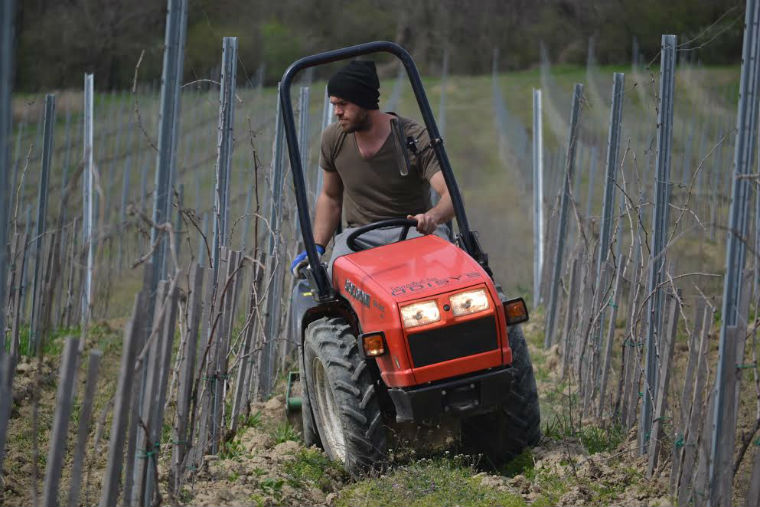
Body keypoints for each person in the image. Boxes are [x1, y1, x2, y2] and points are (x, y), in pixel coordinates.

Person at [291, 60, 454, 276]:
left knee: (451, 273)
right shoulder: (333, 139)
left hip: (414, 233)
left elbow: (451, 195)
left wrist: (431, 217)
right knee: (333, 281)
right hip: (360, 238)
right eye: (334, 105)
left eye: (343, 104)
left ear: (364, 101)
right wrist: (317, 246)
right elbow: (330, 197)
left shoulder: (413, 138)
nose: (337, 112)